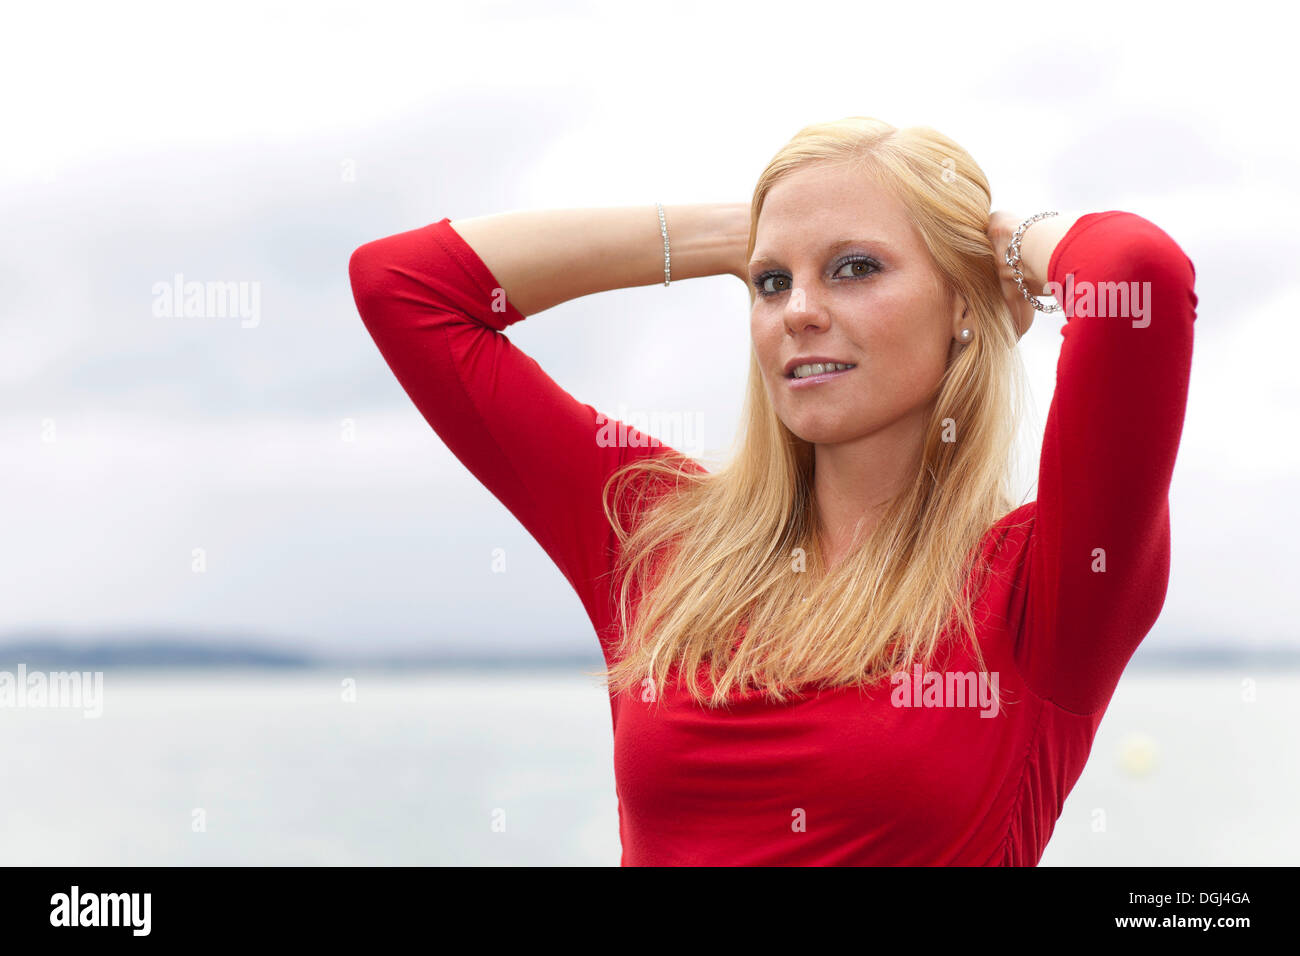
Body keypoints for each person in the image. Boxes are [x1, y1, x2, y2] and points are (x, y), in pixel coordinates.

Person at [347, 116, 1197, 865]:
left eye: (856, 267)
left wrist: (1003, 245)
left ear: (961, 307)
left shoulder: (1042, 592)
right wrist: (740, 232)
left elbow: (1140, 275)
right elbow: (404, 285)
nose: (797, 311)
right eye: (772, 283)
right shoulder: (657, 534)